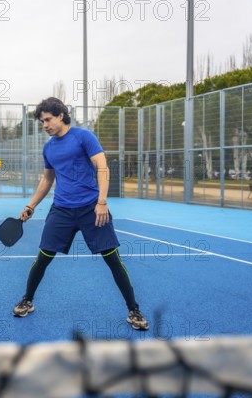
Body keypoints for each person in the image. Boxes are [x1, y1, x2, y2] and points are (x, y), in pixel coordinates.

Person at [12, 97, 149, 331]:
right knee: (43, 258)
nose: (44, 125)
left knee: (113, 260)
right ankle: (27, 300)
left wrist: (102, 202)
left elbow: (102, 167)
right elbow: (48, 179)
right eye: (41, 121)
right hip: (62, 210)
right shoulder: (49, 147)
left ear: (62, 116)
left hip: (91, 209)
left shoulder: (83, 137)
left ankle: (133, 310)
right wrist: (31, 206)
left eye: (48, 119)